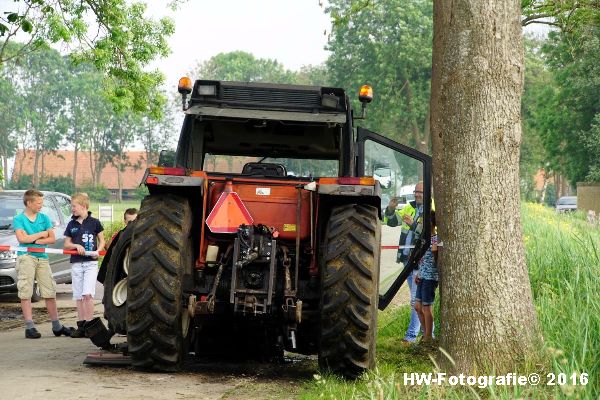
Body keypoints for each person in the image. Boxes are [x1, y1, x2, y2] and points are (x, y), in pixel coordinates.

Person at [13, 189, 73, 339]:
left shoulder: (45, 218)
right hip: (26, 257)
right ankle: (29, 326)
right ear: (29, 203)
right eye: (39, 203)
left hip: (42, 257)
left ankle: (56, 326)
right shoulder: (19, 219)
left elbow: (51, 239)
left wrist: (34, 239)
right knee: (26, 290)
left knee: (49, 290)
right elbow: (22, 240)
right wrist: (41, 234)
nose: (41, 205)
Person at [383, 181, 431, 344]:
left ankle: (412, 337)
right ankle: (426, 336)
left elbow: (429, 234)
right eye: (415, 192)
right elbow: (391, 221)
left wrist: (413, 224)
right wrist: (390, 209)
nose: (417, 195)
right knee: (418, 301)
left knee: (416, 301)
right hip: (408, 260)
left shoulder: (432, 210)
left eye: (420, 192)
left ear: (428, 193)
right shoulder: (409, 207)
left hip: (421, 262)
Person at [64, 193, 105, 338]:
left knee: (87, 294)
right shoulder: (71, 224)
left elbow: (102, 240)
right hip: (76, 263)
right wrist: (75, 245)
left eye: (74, 206)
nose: (72, 209)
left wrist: (98, 252)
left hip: (90, 264)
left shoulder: (94, 222)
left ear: (83, 206)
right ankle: (81, 325)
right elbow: (67, 243)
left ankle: (90, 324)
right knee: (79, 296)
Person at [415, 211, 439, 343]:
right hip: (422, 275)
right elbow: (422, 258)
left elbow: (438, 259)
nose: (421, 223)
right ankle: (425, 334)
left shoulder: (437, 239)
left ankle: (429, 337)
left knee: (426, 307)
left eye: (423, 221)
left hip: (430, 277)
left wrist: (436, 251)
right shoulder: (425, 239)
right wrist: (418, 272)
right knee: (417, 307)